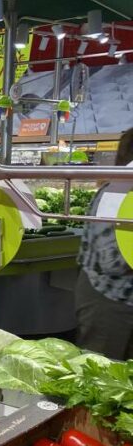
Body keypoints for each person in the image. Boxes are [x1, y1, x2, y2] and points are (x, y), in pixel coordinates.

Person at [75, 127, 133, 359]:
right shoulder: (117, 193)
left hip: (123, 298)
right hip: (109, 301)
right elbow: (111, 260)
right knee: (100, 373)